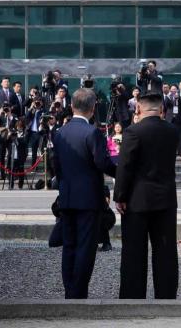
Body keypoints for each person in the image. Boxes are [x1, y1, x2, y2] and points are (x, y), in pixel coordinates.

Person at [115, 91, 180, 299]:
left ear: (138, 109)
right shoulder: (172, 131)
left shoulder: (133, 131)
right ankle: (167, 295)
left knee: (134, 252)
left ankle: (133, 296)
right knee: (166, 252)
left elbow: (125, 166)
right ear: (162, 110)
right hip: (166, 199)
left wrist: (120, 196)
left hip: (137, 200)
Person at [52, 88, 117, 299]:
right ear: (93, 108)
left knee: (69, 245)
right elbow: (102, 163)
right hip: (89, 200)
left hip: (67, 197)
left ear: (71, 106)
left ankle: (68, 289)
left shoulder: (60, 133)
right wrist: (123, 169)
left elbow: (57, 166)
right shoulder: (92, 133)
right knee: (86, 248)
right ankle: (77, 293)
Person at [98, 186, 115, 252]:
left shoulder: (104, 189)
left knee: (101, 216)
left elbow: (105, 205)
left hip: (106, 216)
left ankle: (106, 243)